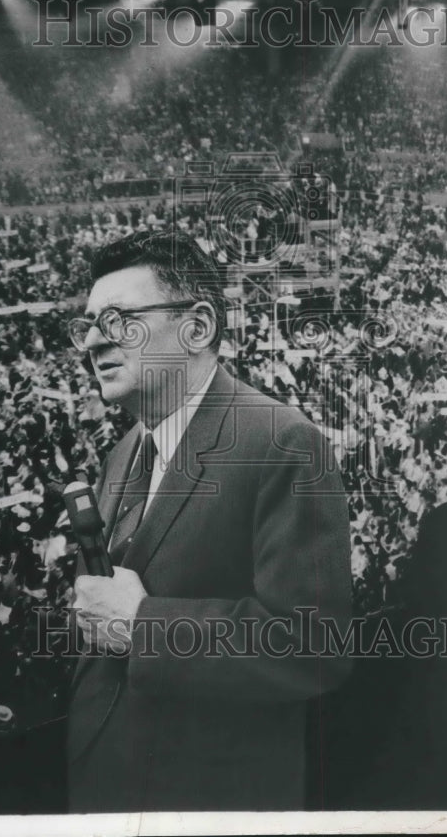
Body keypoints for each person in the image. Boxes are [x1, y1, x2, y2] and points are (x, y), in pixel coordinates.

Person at [65, 230, 352, 812]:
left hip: (208, 802)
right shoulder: (123, 452)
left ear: (196, 328)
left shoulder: (282, 442)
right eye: (88, 324)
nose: (92, 342)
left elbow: (314, 646)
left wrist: (143, 625)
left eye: (117, 320)